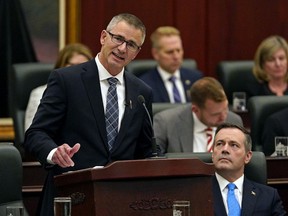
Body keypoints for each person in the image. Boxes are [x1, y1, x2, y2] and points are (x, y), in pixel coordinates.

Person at [24, 13, 153, 216]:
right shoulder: (67, 80)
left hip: (119, 202)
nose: (122, 48)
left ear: (136, 53)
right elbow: (36, 133)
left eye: (131, 44)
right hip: (69, 198)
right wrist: (53, 152)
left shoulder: (142, 93)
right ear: (103, 37)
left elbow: (146, 150)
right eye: (118, 38)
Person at [212, 123, 286, 215]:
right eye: (219, 144)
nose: (225, 149)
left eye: (234, 145)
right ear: (212, 154)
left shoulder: (269, 197)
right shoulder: (196, 192)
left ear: (247, 156)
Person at [154, 77, 243, 154]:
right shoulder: (165, 122)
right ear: (195, 110)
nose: (223, 116)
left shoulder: (234, 121)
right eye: (216, 114)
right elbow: (155, 162)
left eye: (225, 109)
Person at [24, 43, 93, 131]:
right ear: (61, 66)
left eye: (84, 67)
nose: (78, 71)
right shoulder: (40, 94)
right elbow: (33, 133)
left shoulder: (95, 93)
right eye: (73, 66)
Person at [138, 26, 203, 103]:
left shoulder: (196, 79)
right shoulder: (145, 85)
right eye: (170, 52)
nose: (176, 57)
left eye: (178, 50)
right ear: (155, 53)